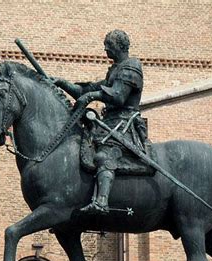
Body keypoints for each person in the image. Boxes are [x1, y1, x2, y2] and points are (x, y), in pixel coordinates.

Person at [53, 29, 148, 214]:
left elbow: (119, 96)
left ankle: (102, 201)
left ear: (120, 46)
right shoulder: (115, 70)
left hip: (124, 124)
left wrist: (91, 96)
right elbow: (88, 89)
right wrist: (61, 83)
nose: (105, 48)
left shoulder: (131, 66)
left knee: (104, 155)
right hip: (110, 122)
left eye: (109, 45)